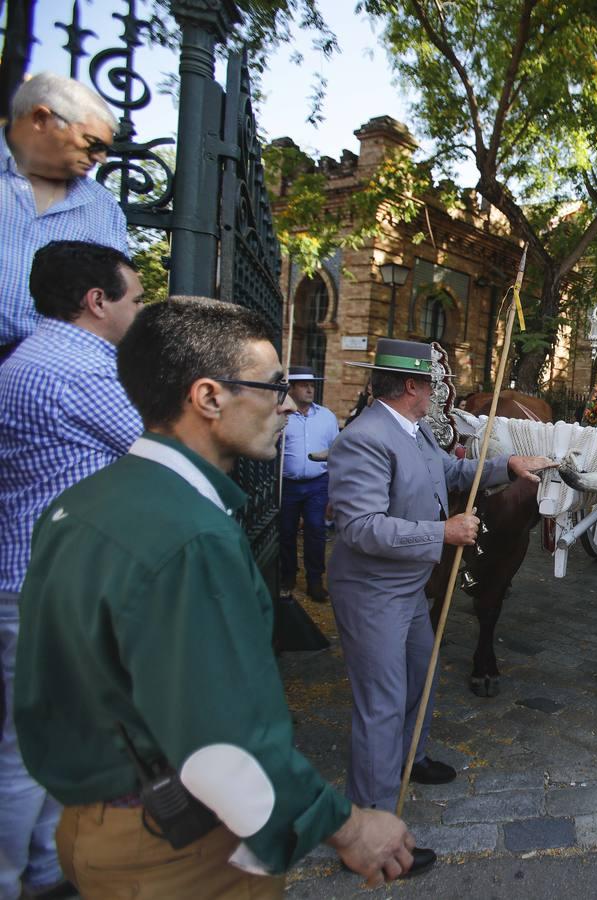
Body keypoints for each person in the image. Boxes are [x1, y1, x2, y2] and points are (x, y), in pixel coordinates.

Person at [13, 297, 418, 894]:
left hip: (92, 824)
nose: (286, 404)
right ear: (208, 397)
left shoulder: (89, 500)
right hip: (176, 845)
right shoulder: (189, 535)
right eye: (272, 386)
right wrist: (349, 827)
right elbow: (223, 742)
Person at [326, 339, 552, 824]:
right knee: (380, 705)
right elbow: (358, 526)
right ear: (412, 385)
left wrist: (505, 466)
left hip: (408, 587)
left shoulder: (416, 430)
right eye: (432, 382)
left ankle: (411, 758)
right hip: (372, 592)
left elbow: (450, 472)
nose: (438, 391)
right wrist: (442, 532)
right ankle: (372, 823)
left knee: (419, 682)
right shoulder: (365, 439)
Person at [0, 241, 144, 900]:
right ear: (97, 301)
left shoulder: (35, 357)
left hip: (40, 577)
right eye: (135, 299)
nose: (139, 312)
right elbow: (162, 450)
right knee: (30, 755)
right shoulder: (80, 370)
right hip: (50, 585)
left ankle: (45, 871)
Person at [2, 74, 127, 361]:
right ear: (41, 119)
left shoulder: (102, 208)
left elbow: (115, 297)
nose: (100, 158)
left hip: (50, 370)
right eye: (92, 142)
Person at [280, 364, 339, 602]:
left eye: (312, 385)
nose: (310, 389)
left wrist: (334, 490)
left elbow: (337, 453)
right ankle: (288, 575)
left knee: (316, 529)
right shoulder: (282, 416)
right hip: (288, 485)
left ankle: (315, 580)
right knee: (286, 531)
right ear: (291, 388)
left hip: (318, 483)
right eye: (304, 385)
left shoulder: (326, 416)